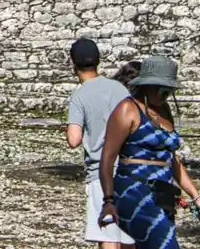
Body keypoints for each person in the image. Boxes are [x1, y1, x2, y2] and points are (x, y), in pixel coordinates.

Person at [99, 56, 200, 249]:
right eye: (161, 87)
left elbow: (171, 160)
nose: (165, 93)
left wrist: (196, 196)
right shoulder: (127, 109)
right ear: (147, 85)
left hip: (164, 192)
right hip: (134, 190)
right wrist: (108, 200)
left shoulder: (164, 110)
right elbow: (107, 159)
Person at [67, 37, 134, 249]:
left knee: (107, 233)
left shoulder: (80, 96)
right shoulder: (119, 89)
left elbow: (73, 140)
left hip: (99, 172)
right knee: (129, 236)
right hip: (127, 169)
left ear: (73, 63)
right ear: (98, 61)